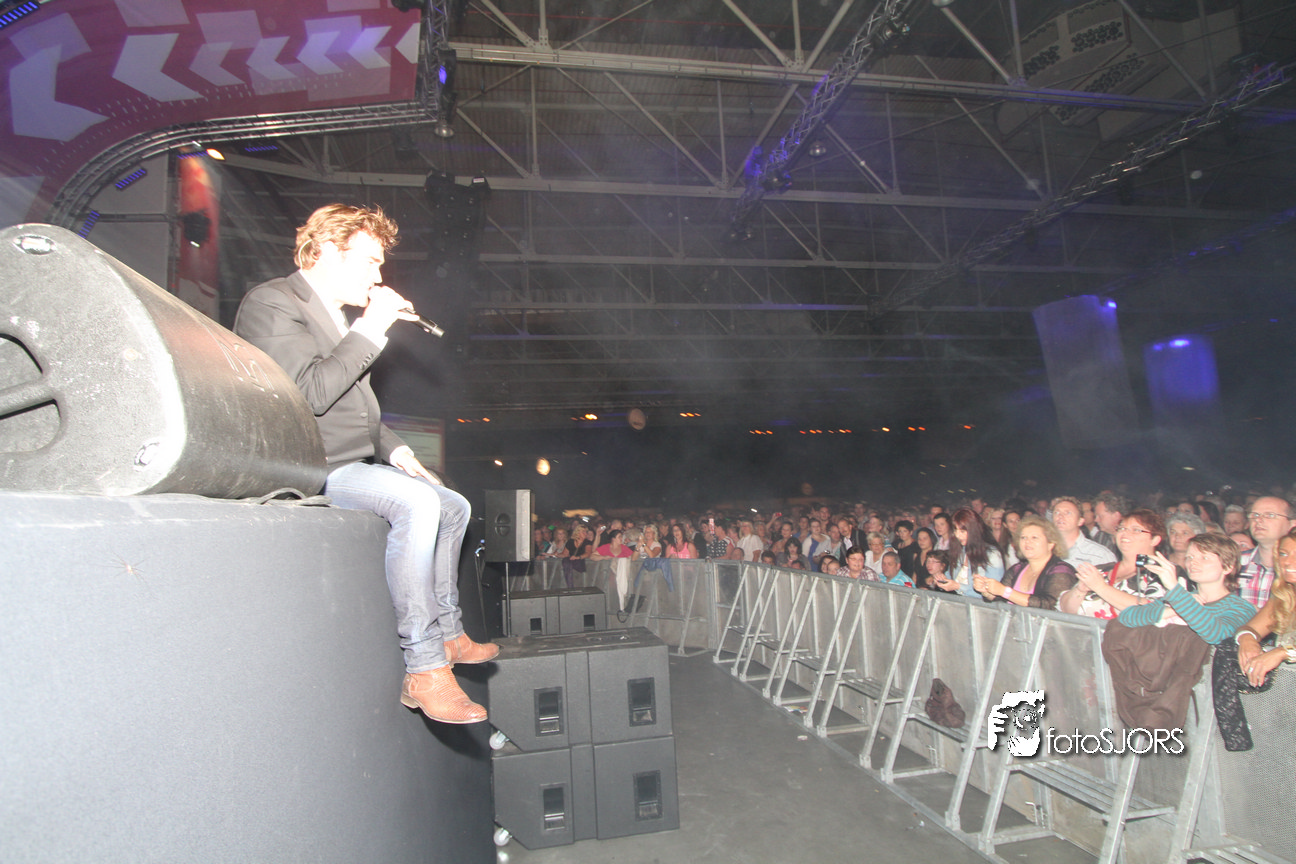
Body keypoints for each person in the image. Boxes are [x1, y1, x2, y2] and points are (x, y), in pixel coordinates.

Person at [234, 203, 495, 725]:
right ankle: (424, 668)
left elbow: (355, 405)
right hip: (309, 465)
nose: (379, 274)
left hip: (350, 458)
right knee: (418, 504)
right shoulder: (273, 302)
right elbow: (310, 393)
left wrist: (395, 448)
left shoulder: (339, 319)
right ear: (328, 250)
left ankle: (448, 633)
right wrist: (373, 326)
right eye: (370, 261)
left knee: (454, 506)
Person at [1060, 509, 1176, 619]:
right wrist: (1079, 591)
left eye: (1136, 530)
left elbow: (1155, 611)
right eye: (1121, 528)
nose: (1125, 533)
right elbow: (1065, 611)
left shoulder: (1165, 573)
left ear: (1155, 540)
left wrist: (1100, 587)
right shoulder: (1101, 570)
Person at [974, 514, 1077, 610]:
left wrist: (1003, 591)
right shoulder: (1017, 569)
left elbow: (1050, 604)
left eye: (1034, 538)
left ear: (1051, 544)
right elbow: (1000, 598)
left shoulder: (1062, 570)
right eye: (1023, 537)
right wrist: (986, 590)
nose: (1027, 542)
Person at [1237, 496, 1293, 608]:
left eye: (1270, 515)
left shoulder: (1292, 567)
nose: (1258, 520)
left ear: (1292, 524)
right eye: (1255, 515)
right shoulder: (1235, 562)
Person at [944, 507, 1005, 598]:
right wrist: (942, 579)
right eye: (955, 530)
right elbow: (950, 576)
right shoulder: (961, 550)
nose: (957, 535)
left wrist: (958, 587)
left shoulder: (992, 554)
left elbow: (992, 594)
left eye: (962, 531)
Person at [1050, 496, 1116, 569]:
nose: (1060, 516)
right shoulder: (1045, 550)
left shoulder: (1100, 555)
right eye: (1056, 512)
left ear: (1080, 521)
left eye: (1068, 513)